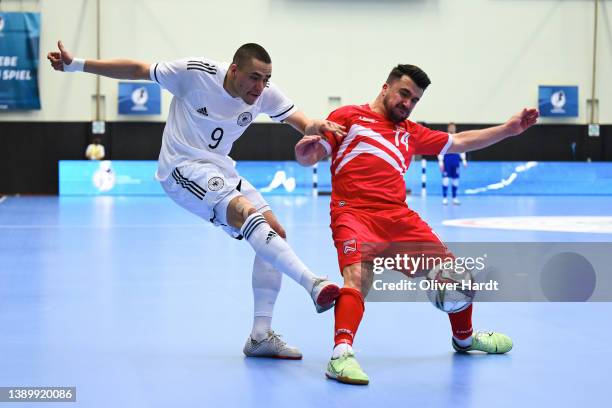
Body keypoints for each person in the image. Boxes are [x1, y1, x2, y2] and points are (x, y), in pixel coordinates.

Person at [48, 40, 347, 359]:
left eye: (266, 80)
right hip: (181, 167)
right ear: (234, 70)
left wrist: (315, 127)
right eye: (254, 78)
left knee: (275, 234)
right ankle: (312, 283)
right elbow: (138, 69)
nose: (260, 87)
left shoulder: (263, 95)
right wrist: (75, 64)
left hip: (222, 169)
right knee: (245, 213)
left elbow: (301, 122)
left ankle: (260, 337)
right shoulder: (194, 73)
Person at [295, 64, 539, 384]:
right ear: (386, 88)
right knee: (357, 275)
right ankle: (341, 354)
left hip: (398, 217)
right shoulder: (348, 117)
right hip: (353, 213)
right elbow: (311, 156)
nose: (407, 104)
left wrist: (508, 129)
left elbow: (461, 141)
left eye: (414, 100)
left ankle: (465, 339)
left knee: (456, 275)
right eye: (404, 94)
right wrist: (305, 151)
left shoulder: (411, 132)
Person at [438, 123, 467, 205]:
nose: (452, 128)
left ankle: (454, 198)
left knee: (455, 180)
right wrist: (440, 161)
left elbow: (462, 148)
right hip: (447, 161)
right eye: (451, 127)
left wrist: (464, 160)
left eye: (453, 127)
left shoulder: (458, 137)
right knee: (445, 180)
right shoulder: (445, 137)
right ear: (448, 128)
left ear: (455, 128)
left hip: (455, 160)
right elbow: (440, 150)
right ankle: (444, 198)